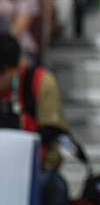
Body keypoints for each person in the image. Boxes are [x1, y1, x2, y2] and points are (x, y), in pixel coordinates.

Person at [0, 33, 70, 205]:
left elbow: (52, 128)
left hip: (37, 169)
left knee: (54, 186)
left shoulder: (40, 81)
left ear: (13, 68)